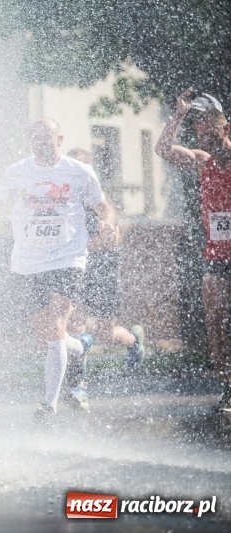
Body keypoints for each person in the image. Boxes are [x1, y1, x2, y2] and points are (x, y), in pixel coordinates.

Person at [0, 118, 111, 425]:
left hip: (68, 258)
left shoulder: (80, 172)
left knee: (55, 326)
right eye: (35, 139)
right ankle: (81, 347)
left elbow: (102, 207)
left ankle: (48, 406)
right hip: (28, 262)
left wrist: (105, 224)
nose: (40, 145)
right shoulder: (17, 172)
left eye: (46, 139)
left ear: (59, 139)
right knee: (50, 337)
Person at [155, 88, 231, 415]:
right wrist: (178, 116)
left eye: (208, 123)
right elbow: (162, 149)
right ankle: (228, 386)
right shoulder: (203, 162)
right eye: (197, 124)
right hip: (216, 256)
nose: (202, 131)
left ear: (224, 125)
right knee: (215, 321)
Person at [62, 148, 146, 412]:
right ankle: (79, 388)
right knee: (73, 327)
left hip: (102, 268)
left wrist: (79, 245)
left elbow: (110, 239)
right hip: (74, 266)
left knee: (104, 333)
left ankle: (133, 339)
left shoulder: (100, 201)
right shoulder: (62, 196)